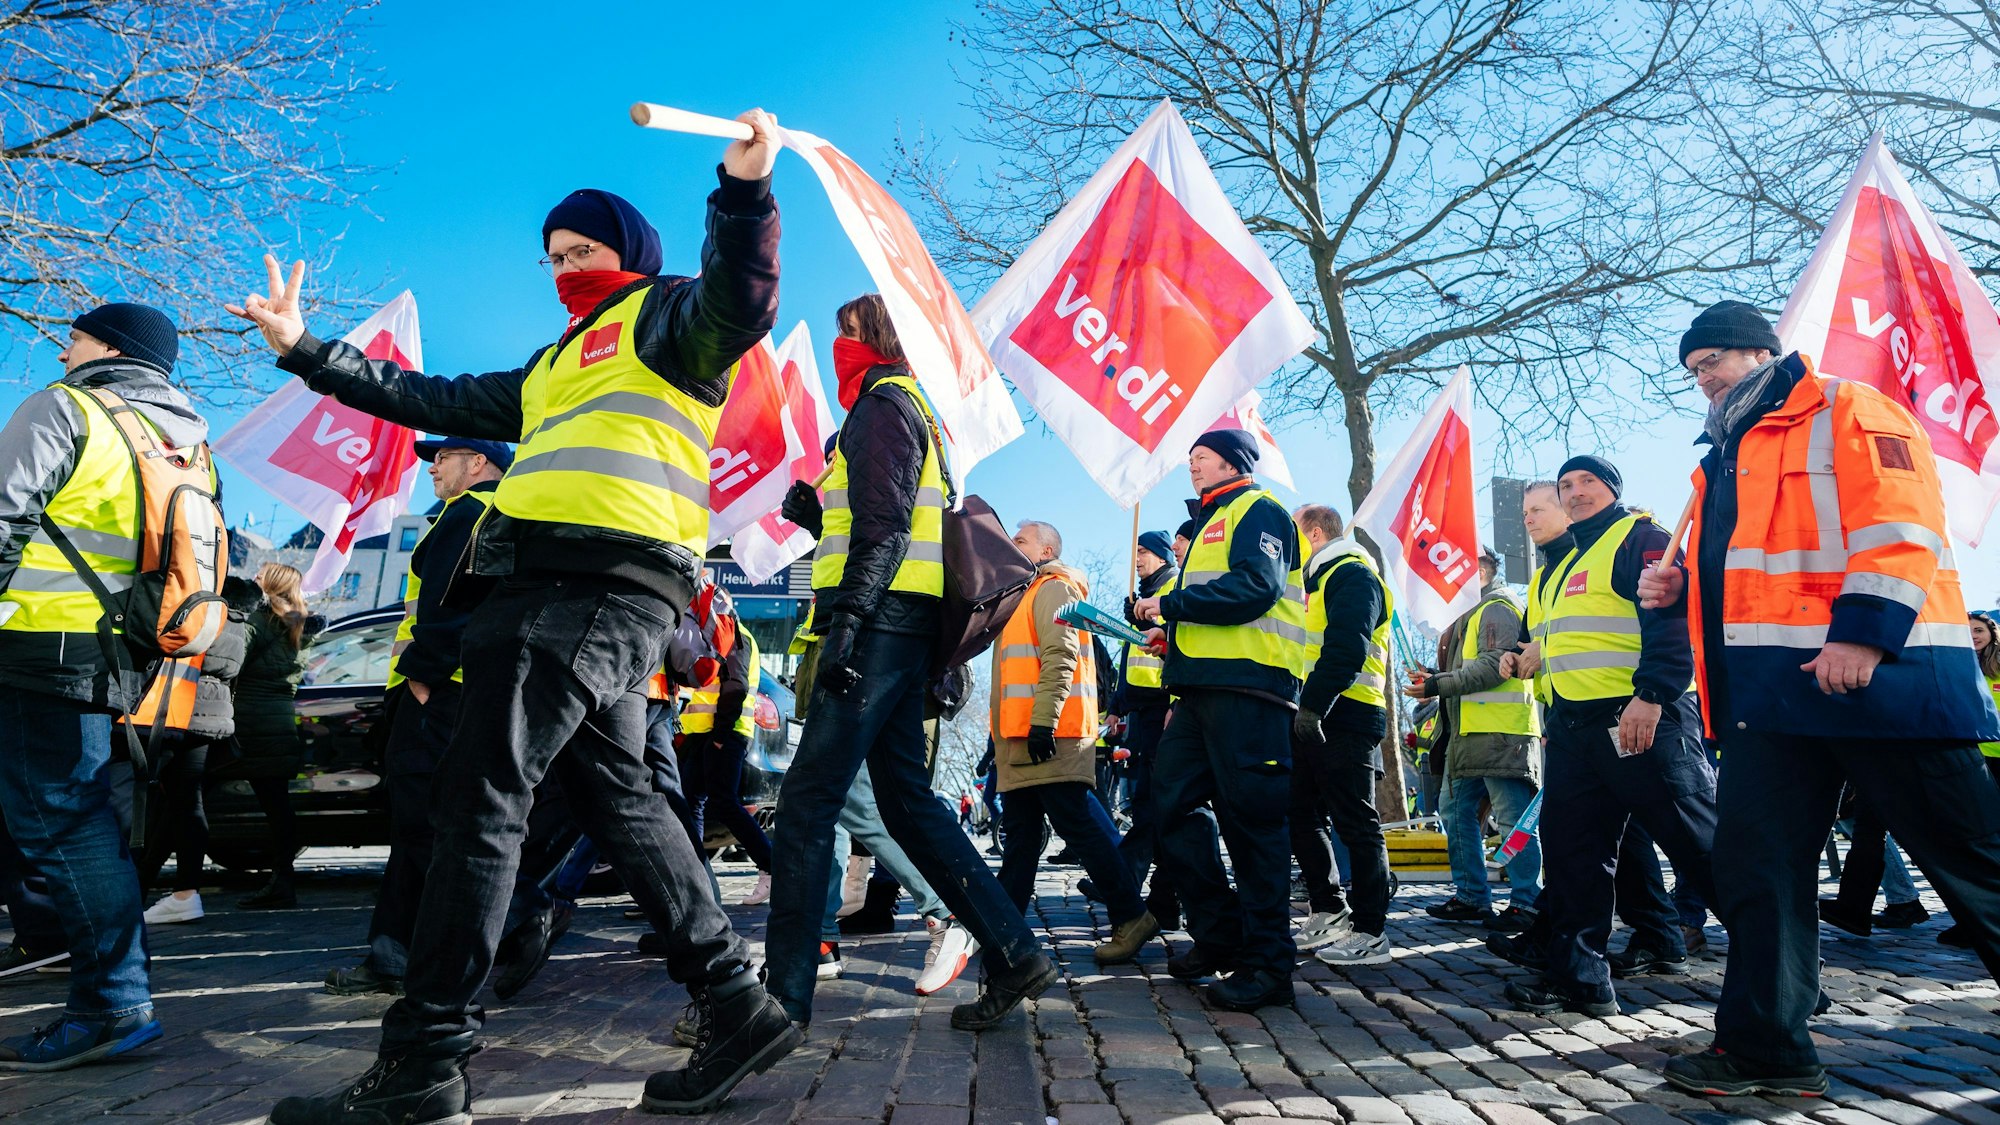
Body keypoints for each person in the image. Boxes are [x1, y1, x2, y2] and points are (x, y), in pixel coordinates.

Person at [230, 109, 798, 1120]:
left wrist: (744, 193)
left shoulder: (666, 318)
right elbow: (425, 392)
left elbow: (741, 296)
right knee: (621, 802)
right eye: (549, 256)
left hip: (581, 593)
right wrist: (305, 350)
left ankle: (424, 1061)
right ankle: (736, 999)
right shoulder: (550, 367)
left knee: (479, 803)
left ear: (626, 253)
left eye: (579, 251)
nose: (561, 268)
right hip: (587, 602)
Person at [1639, 300, 2000, 1097]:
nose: (1704, 381)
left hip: (1882, 683)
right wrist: (1673, 586)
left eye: (1713, 364)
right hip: (1773, 698)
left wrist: (1865, 633)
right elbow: (1746, 581)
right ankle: (1766, 1048)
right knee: (1757, 871)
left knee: (1973, 864)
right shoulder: (1717, 463)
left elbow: (1904, 519)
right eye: (1695, 372)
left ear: (1762, 349)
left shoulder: (1849, 405)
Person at [768, 294, 1053, 1032]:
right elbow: (885, 518)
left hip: (879, 622)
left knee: (808, 802)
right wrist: (813, 512)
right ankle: (1014, 949)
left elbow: (887, 529)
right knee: (905, 802)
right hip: (903, 626)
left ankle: (778, 999)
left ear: (878, 338)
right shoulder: (903, 407)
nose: (839, 345)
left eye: (847, 331)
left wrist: (849, 624)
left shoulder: (882, 404)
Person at [0, 303, 202, 1069]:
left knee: (64, 824)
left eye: (74, 337)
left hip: (36, 642)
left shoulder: (69, 408)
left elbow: (1, 512)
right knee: (82, 819)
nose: (62, 352)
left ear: (110, 346)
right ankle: (115, 998)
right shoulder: (183, 435)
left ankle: (112, 1006)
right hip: (115, 653)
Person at [1500, 455, 1717, 1018]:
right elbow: (1572, 637)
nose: (1575, 493)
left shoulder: (1641, 537)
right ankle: (1580, 980)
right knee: (1573, 858)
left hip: (1640, 719)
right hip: (1573, 728)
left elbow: (1672, 625)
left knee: (1702, 847)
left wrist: (1652, 696)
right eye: (1566, 484)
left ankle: (1786, 967)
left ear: (1612, 488)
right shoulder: (1564, 559)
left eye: (1587, 482)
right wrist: (1529, 659)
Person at [1131, 429, 1309, 1012]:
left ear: (1233, 462)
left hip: (1252, 693)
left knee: (1254, 829)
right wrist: (1171, 636)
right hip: (1201, 693)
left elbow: (1255, 588)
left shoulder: (1259, 510)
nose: (1193, 469)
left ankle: (1268, 967)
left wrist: (1173, 606)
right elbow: (1216, 604)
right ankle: (1220, 935)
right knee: (1168, 808)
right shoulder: (1211, 522)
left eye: (1201, 459)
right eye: (1190, 461)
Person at [324, 436, 507, 996]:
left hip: (437, 693)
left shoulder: (470, 511)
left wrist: (423, 678)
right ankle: (405, 955)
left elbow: (450, 606)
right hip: (445, 692)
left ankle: (414, 960)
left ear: (477, 464)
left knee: (422, 830)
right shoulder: (480, 511)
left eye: (443, 457)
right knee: (428, 830)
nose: (431, 466)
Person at [992, 520, 1158, 964]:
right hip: (1024, 739)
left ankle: (1131, 914)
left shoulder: (1052, 589)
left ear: (1045, 551)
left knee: (1077, 825)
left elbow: (1059, 655)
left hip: (1050, 736)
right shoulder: (1027, 592)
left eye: (1021, 540)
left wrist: (1043, 723)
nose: (1013, 545)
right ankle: (1004, 932)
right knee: (1023, 839)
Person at [1406, 545, 1542, 933]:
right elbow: (1477, 667)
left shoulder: (1496, 607)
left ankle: (1526, 903)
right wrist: (1435, 676)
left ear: (1480, 569)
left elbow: (1492, 669)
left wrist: (1437, 683)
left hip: (1501, 734)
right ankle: (1471, 898)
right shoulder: (1473, 611)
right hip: (1470, 737)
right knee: (1455, 813)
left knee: (1512, 819)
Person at [1287, 505, 1397, 967]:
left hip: (1346, 714)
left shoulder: (1351, 573)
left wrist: (1313, 704)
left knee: (1355, 822)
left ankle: (1371, 931)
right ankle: (1329, 909)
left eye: (1292, 533)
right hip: (1318, 714)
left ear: (1314, 534)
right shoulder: (1316, 581)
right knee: (1300, 814)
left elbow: (1348, 645)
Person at [136, 577, 253, 923]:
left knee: (158, 803)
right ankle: (183, 891)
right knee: (184, 803)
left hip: (179, 709)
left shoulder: (202, 609)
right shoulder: (236, 622)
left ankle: (145, 890)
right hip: (210, 715)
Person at [1098, 528, 1181, 929]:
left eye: (1144, 550)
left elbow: (1175, 649)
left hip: (1163, 710)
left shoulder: (1171, 591)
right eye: (1135, 549)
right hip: (1141, 714)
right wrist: (1116, 707)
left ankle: (1125, 877)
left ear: (1164, 555)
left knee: (1156, 803)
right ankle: (1154, 897)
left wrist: (1175, 702)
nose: (1137, 556)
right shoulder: (1143, 596)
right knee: (1148, 803)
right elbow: (1131, 659)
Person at [228, 562, 319, 910]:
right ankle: (283, 879)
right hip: (280, 722)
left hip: (247, 722)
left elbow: (232, 663)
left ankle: (176, 884)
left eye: (260, 575)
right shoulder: (300, 626)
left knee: (187, 795)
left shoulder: (259, 622)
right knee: (277, 808)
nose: (255, 578)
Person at [679, 589, 775, 906]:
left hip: (722, 735)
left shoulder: (731, 633)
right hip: (704, 736)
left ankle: (771, 867)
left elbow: (735, 687)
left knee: (722, 804)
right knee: (692, 805)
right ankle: (692, 888)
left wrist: (719, 736)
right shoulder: (721, 633)